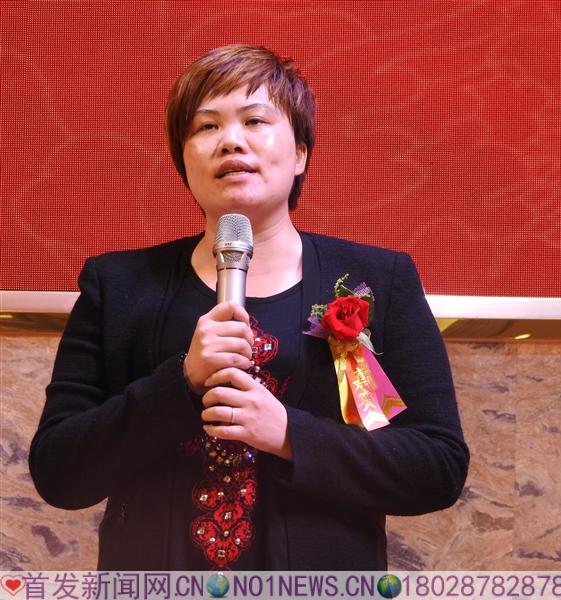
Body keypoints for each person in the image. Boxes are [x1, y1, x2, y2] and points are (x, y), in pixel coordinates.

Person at [29, 44, 469, 570]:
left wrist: (289, 435)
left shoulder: (378, 280)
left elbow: (437, 466)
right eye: (206, 126)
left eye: (255, 120)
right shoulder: (118, 284)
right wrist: (180, 381)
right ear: (184, 159)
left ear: (300, 153)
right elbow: (59, 472)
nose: (231, 140)